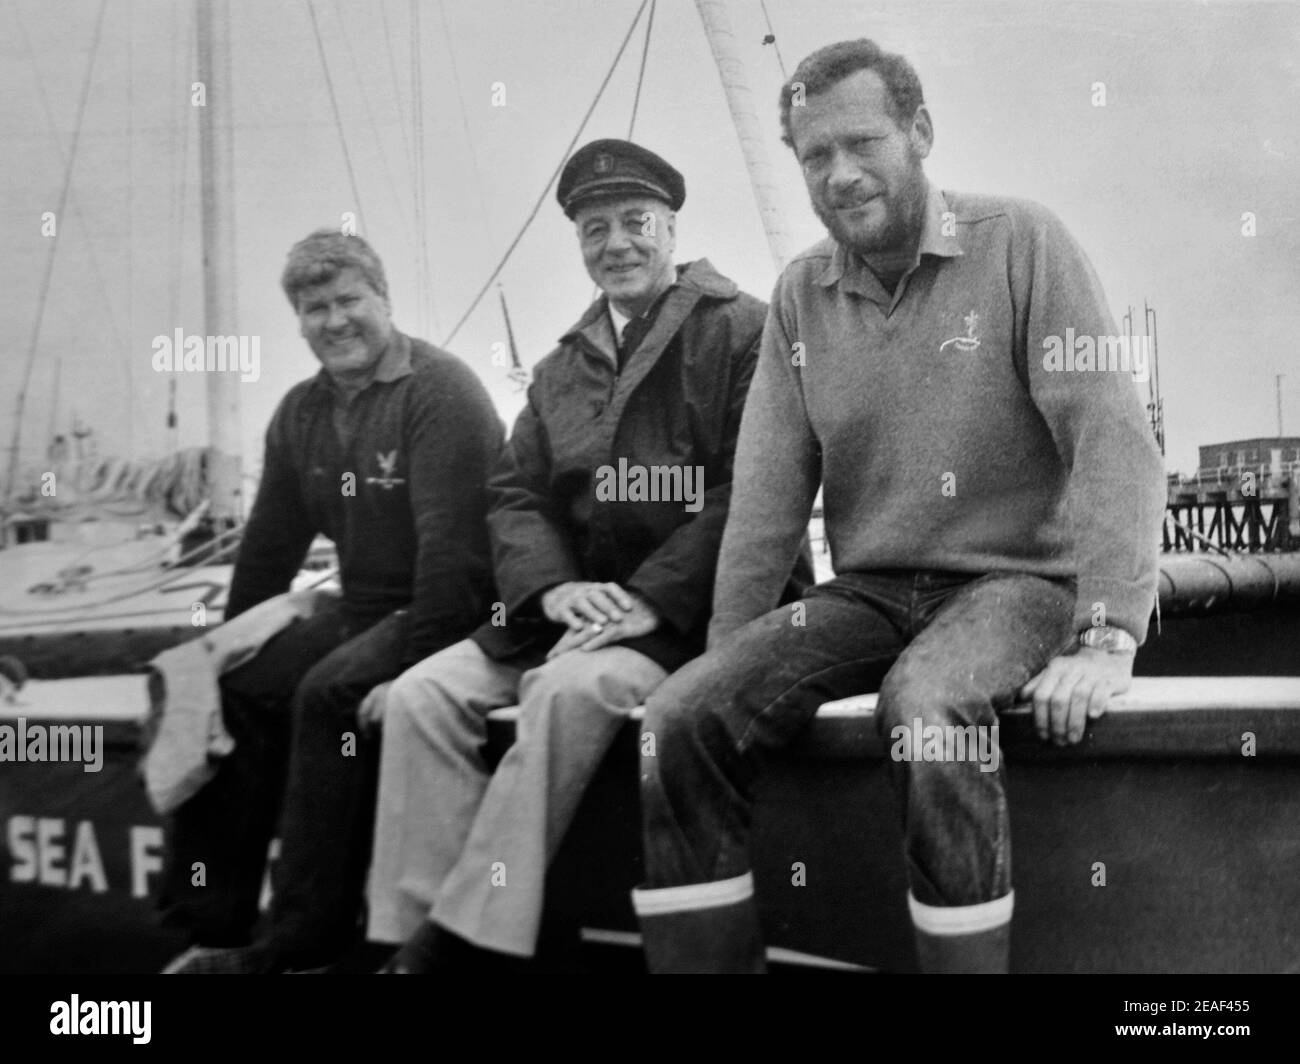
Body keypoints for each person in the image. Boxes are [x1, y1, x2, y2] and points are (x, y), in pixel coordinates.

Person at [631, 39, 1167, 973]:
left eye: (861, 143)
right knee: (677, 720)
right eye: (812, 157)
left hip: (1016, 581)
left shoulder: (1021, 243)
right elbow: (765, 493)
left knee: (925, 705)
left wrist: (1107, 633)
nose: (838, 175)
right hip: (869, 591)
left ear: (919, 132)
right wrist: (731, 657)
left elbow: (1111, 436)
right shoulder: (802, 293)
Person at [367, 139, 811, 971]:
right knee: (421, 697)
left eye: (636, 221)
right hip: (573, 613)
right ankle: (408, 930)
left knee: (571, 694)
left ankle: (456, 947)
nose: (617, 244)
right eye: (594, 228)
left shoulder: (745, 331)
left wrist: (648, 598)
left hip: (695, 614)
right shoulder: (559, 367)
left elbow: (759, 490)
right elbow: (515, 493)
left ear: (672, 226)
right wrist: (555, 590)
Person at [160, 230, 503, 973]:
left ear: (384, 299)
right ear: (299, 322)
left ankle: (308, 939)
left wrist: (409, 674)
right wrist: (227, 645)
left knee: (331, 692)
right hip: (362, 605)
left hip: (456, 608)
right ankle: (212, 926)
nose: (335, 321)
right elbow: (266, 554)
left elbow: (458, 560)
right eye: (314, 309)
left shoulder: (440, 392)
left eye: (349, 300)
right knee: (231, 686)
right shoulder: (300, 413)